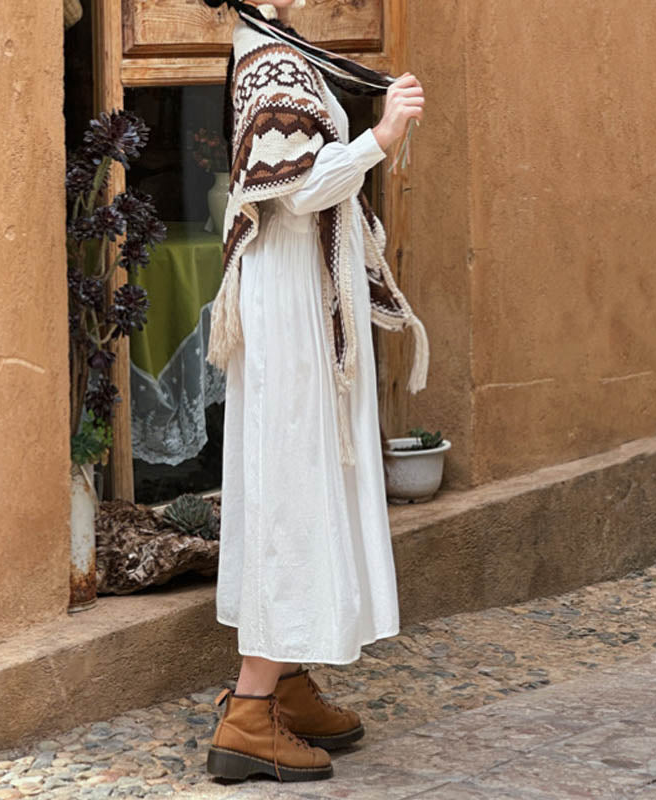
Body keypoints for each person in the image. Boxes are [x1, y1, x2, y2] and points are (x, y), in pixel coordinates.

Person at [200, 0, 427, 783]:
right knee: (289, 489)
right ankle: (250, 713)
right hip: (289, 300)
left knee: (292, 479)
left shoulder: (275, 45)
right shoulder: (271, 59)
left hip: (294, 291)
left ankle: (286, 684)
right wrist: (380, 137)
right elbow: (296, 189)